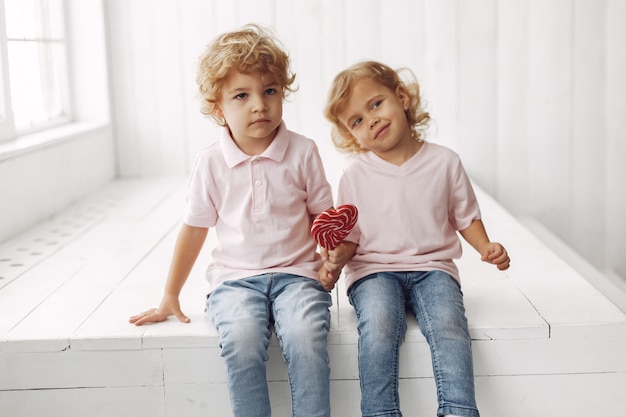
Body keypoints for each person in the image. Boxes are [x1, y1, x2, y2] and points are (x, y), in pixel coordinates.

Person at [130, 24, 335, 417]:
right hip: (235, 280)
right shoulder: (210, 162)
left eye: (270, 90)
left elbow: (323, 218)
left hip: (299, 274)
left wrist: (332, 253)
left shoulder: (304, 151)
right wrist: (170, 294)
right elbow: (194, 229)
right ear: (218, 107)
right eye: (242, 95)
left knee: (306, 337)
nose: (260, 104)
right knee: (240, 340)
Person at [320, 61, 511, 417]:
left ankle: (459, 410)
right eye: (357, 121)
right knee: (378, 330)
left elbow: (465, 215)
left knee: (449, 327)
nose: (371, 119)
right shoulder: (355, 175)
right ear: (351, 135)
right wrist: (334, 262)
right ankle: (380, 412)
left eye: (375, 104)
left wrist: (486, 246)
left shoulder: (445, 162)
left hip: (433, 269)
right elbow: (349, 238)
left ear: (402, 97)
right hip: (373, 272)